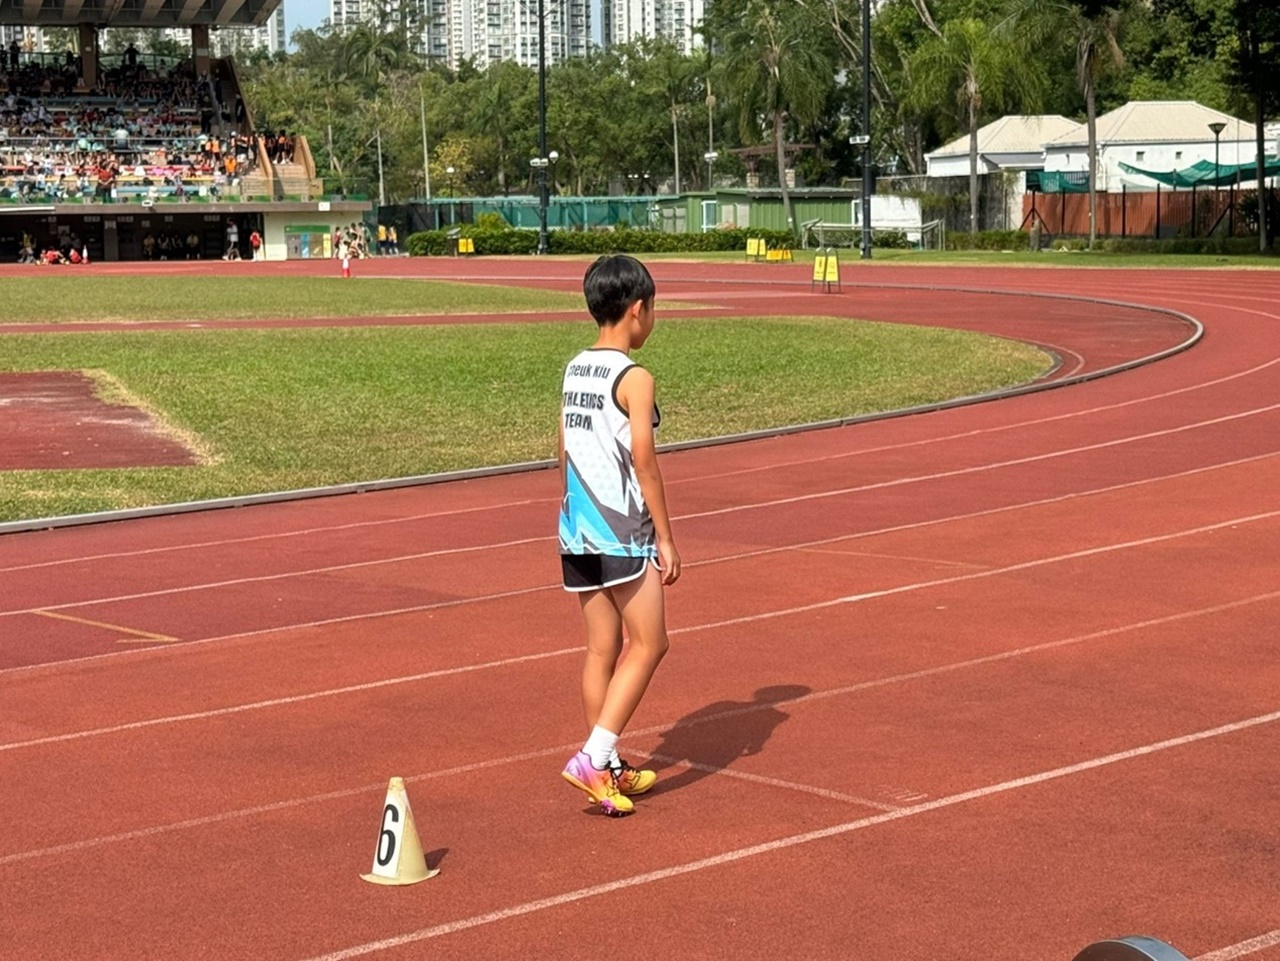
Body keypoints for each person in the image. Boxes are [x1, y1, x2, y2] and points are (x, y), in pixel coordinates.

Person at [557, 255, 680, 818]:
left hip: (576, 527)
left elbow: (561, 449)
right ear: (637, 309)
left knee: (601, 649)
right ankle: (594, 757)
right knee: (651, 644)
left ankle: (602, 769)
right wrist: (666, 538)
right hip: (621, 532)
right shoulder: (634, 377)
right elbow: (644, 461)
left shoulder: (574, 368)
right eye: (653, 309)